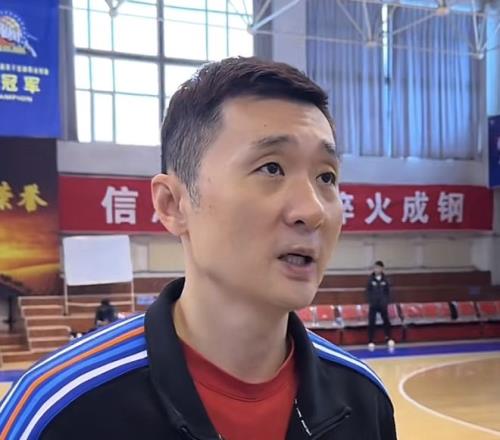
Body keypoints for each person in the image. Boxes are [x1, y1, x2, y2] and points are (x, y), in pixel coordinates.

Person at [0, 57, 397, 440]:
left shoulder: (364, 399)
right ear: (172, 204)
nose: (312, 211)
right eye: (271, 168)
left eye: (326, 177)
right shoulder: (58, 412)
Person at [366, 260, 395, 351]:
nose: (376, 269)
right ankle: (371, 340)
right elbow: (367, 292)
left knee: (386, 321)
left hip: (383, 305)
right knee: (371, 322)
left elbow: (388, 292)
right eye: (375, 268)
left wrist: (385, 302)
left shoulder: (385, 280)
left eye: (378, 268)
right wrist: (370, 301)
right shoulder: (370, 279)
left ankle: (388, 338)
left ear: (382, 269)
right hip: (373, 305)